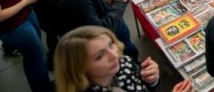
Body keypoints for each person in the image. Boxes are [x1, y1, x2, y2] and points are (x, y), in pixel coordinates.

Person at [54, 25, 192, 92]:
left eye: (110, 44)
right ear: (78, 67)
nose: (114, 55)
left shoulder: (123, 63)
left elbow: (143, 88)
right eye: (99, 56)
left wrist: (152, 79)